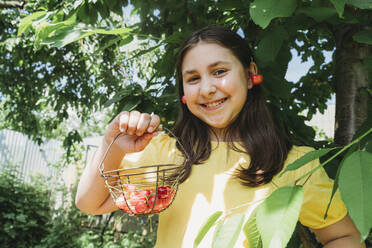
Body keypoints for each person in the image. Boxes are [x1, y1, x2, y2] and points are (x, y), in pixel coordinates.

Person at [75, 25, 364, 247]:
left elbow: (344, 237)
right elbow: (90, 203)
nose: (207, 88)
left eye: (219, 71)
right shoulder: (164, 150)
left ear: (250, 74)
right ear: (184, 93)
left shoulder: (296, 164)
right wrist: (111, 143)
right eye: (193, 78)